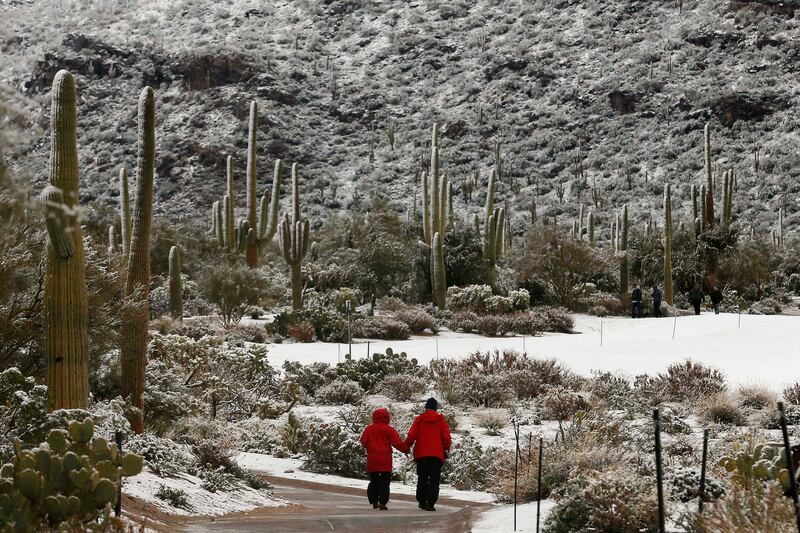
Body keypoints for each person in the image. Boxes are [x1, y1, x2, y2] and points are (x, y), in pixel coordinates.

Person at [403, 398, 451, 512]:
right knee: (434, 479)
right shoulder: (441, 420)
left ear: (426, 407)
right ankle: (430, 503)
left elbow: (412, 435)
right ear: (436, 408)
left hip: (421, 455)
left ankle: (422, 501)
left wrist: (406, 447)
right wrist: (446, 449)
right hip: (436, 455)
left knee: (422, 478)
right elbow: (446, 438)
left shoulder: (419, 419)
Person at [359, 407, 406, 510]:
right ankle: (383, 503)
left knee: (374, 480)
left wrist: (370, 447)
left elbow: (363, 442)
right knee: (385, 482)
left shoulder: (369, 429)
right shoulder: (389, 429)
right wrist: (405, 449)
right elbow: (397, 443)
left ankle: (374, 500)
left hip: (373, 458)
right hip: (385, 459)